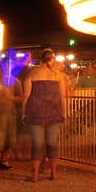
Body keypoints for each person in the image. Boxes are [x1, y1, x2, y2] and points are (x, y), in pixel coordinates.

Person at [22, 48, 67, 181]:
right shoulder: (58, 75)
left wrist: (24, 113)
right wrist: (64, 113)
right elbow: (63, 96)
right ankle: (53, 173)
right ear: (52, 59)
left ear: (41, 59)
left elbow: (26, 96)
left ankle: (35, 175)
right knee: (52, 143)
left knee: (37, 144)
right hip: (54, 112)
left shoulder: (32, 74)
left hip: (35, 113)